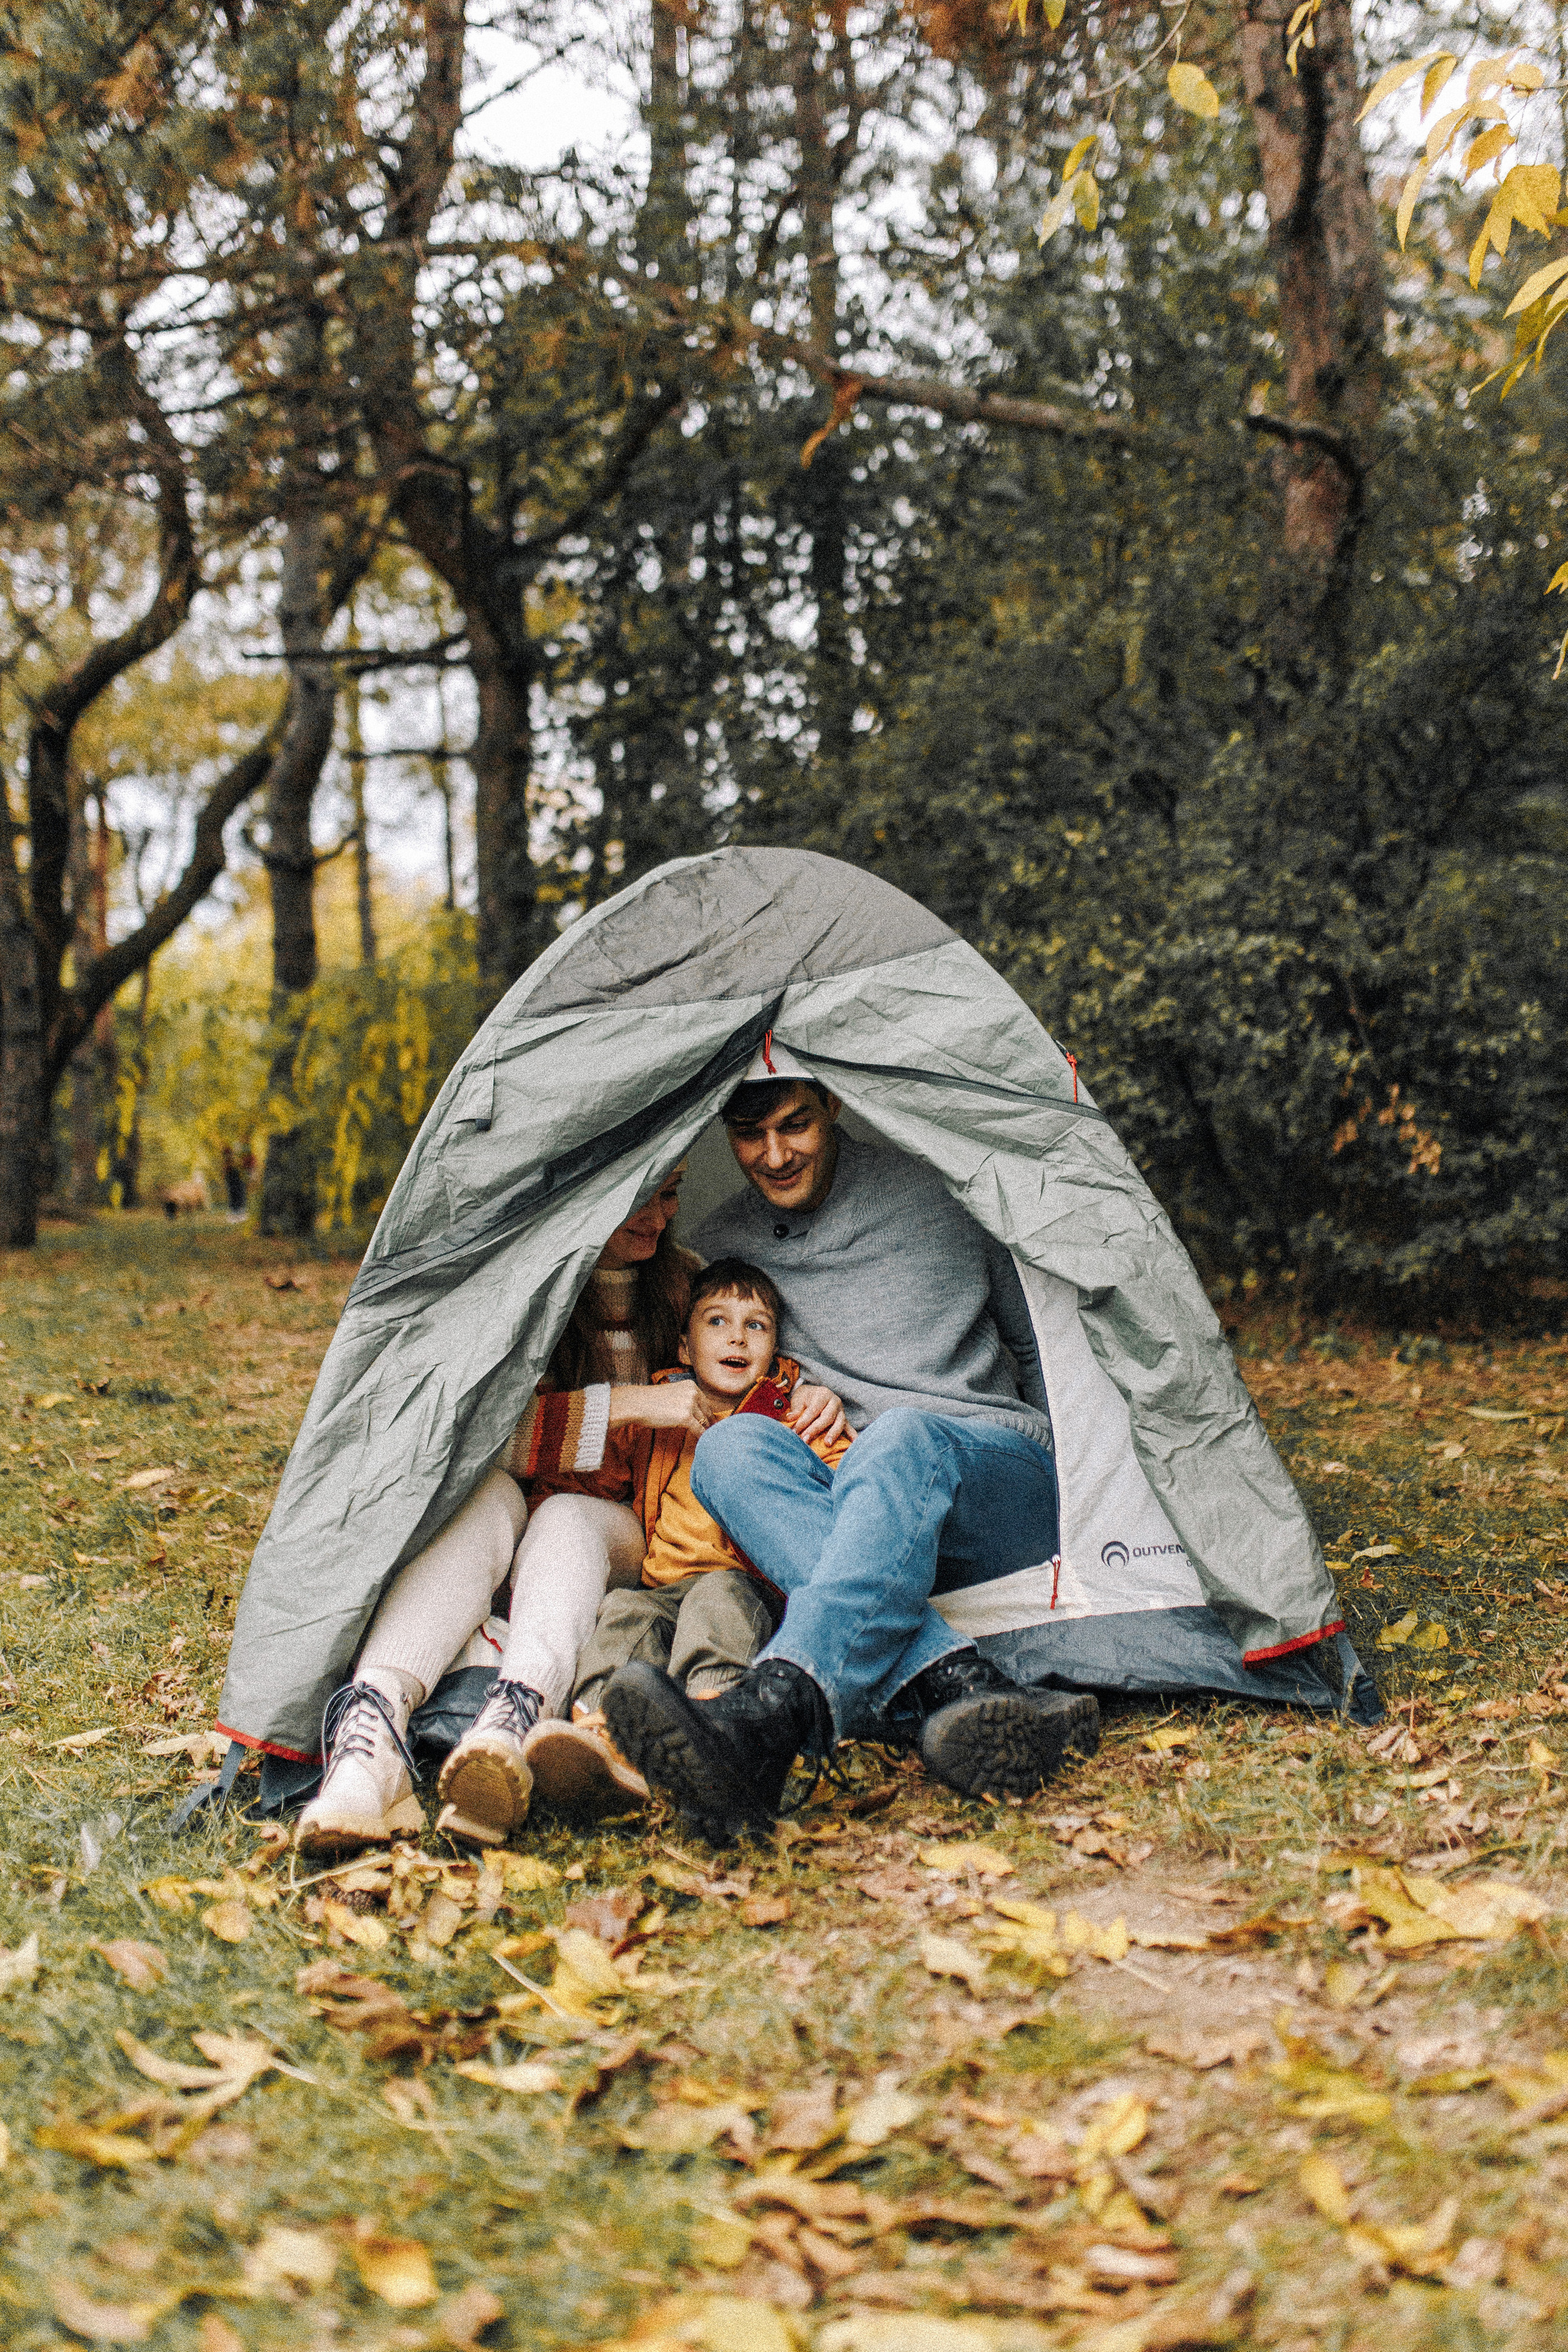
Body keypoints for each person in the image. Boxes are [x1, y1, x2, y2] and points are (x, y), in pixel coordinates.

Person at [603, 1069, 1100, 1839]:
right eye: (748, 1135)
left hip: (992, 1476)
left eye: (794, 1125)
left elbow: (1045, 1346)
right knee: (730, 1447)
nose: (773, 1156)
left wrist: (1091, 1491)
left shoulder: (946, 1191)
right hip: (857, 1506)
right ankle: (962, 1683)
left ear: (833, 1102)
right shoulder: (725, 1247)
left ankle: (772, 1717)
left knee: (899, 1435)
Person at [293, 1168, 843, 1855]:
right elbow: (469, 1439)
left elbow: (763, 1366)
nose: (657, 1216)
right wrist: (628, 1404)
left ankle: (514, 1716)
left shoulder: (685, 1283)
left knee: (567, 1517)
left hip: (619, 1527)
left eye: (672, 1191)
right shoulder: (535, 1277)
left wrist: (812, 1395)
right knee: (486, 1490)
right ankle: (369, 1741)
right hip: (513, 1515)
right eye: (639, 1192)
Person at [518, 1259, 853, 1820]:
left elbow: (837, 1484)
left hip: (743, 1584)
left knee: (718, 1606)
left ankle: (716, 1723)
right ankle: (601, 1734)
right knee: (624, 1613)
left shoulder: (792, 1416)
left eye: (756, 1325)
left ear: (775, 1348)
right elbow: (595, 1478)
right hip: (662, 1586)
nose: (737, 1337)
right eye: (717, 1321)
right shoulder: (661, 1411)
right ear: (683, 1346)